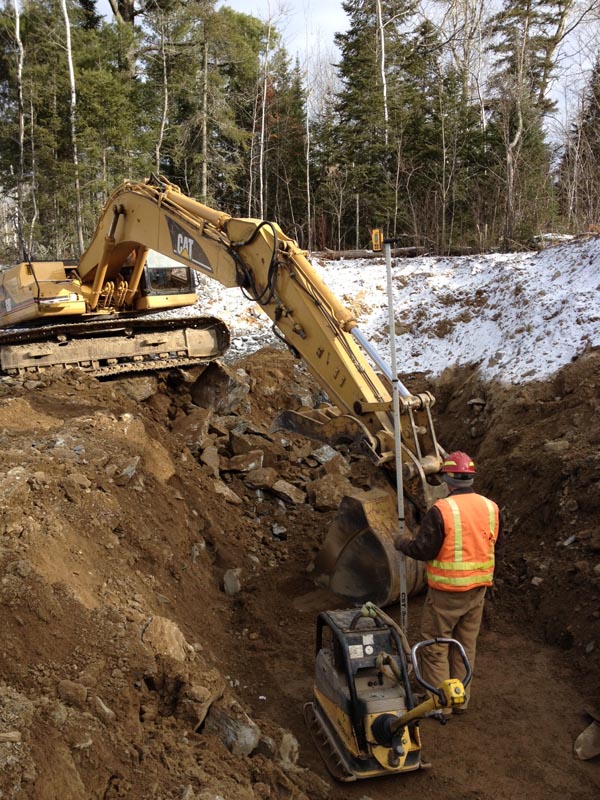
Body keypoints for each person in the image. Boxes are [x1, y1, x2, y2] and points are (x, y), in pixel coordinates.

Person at [394, 451, 504, 716]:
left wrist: (401, 543)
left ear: (447, 480)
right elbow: (495, 545)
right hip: (478, 589)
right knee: (465, 644)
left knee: (436, 645)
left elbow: (424, 550)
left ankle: (440, 705)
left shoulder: (442, 510)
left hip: (447, 591)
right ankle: (460, 699)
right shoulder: (491, 507)